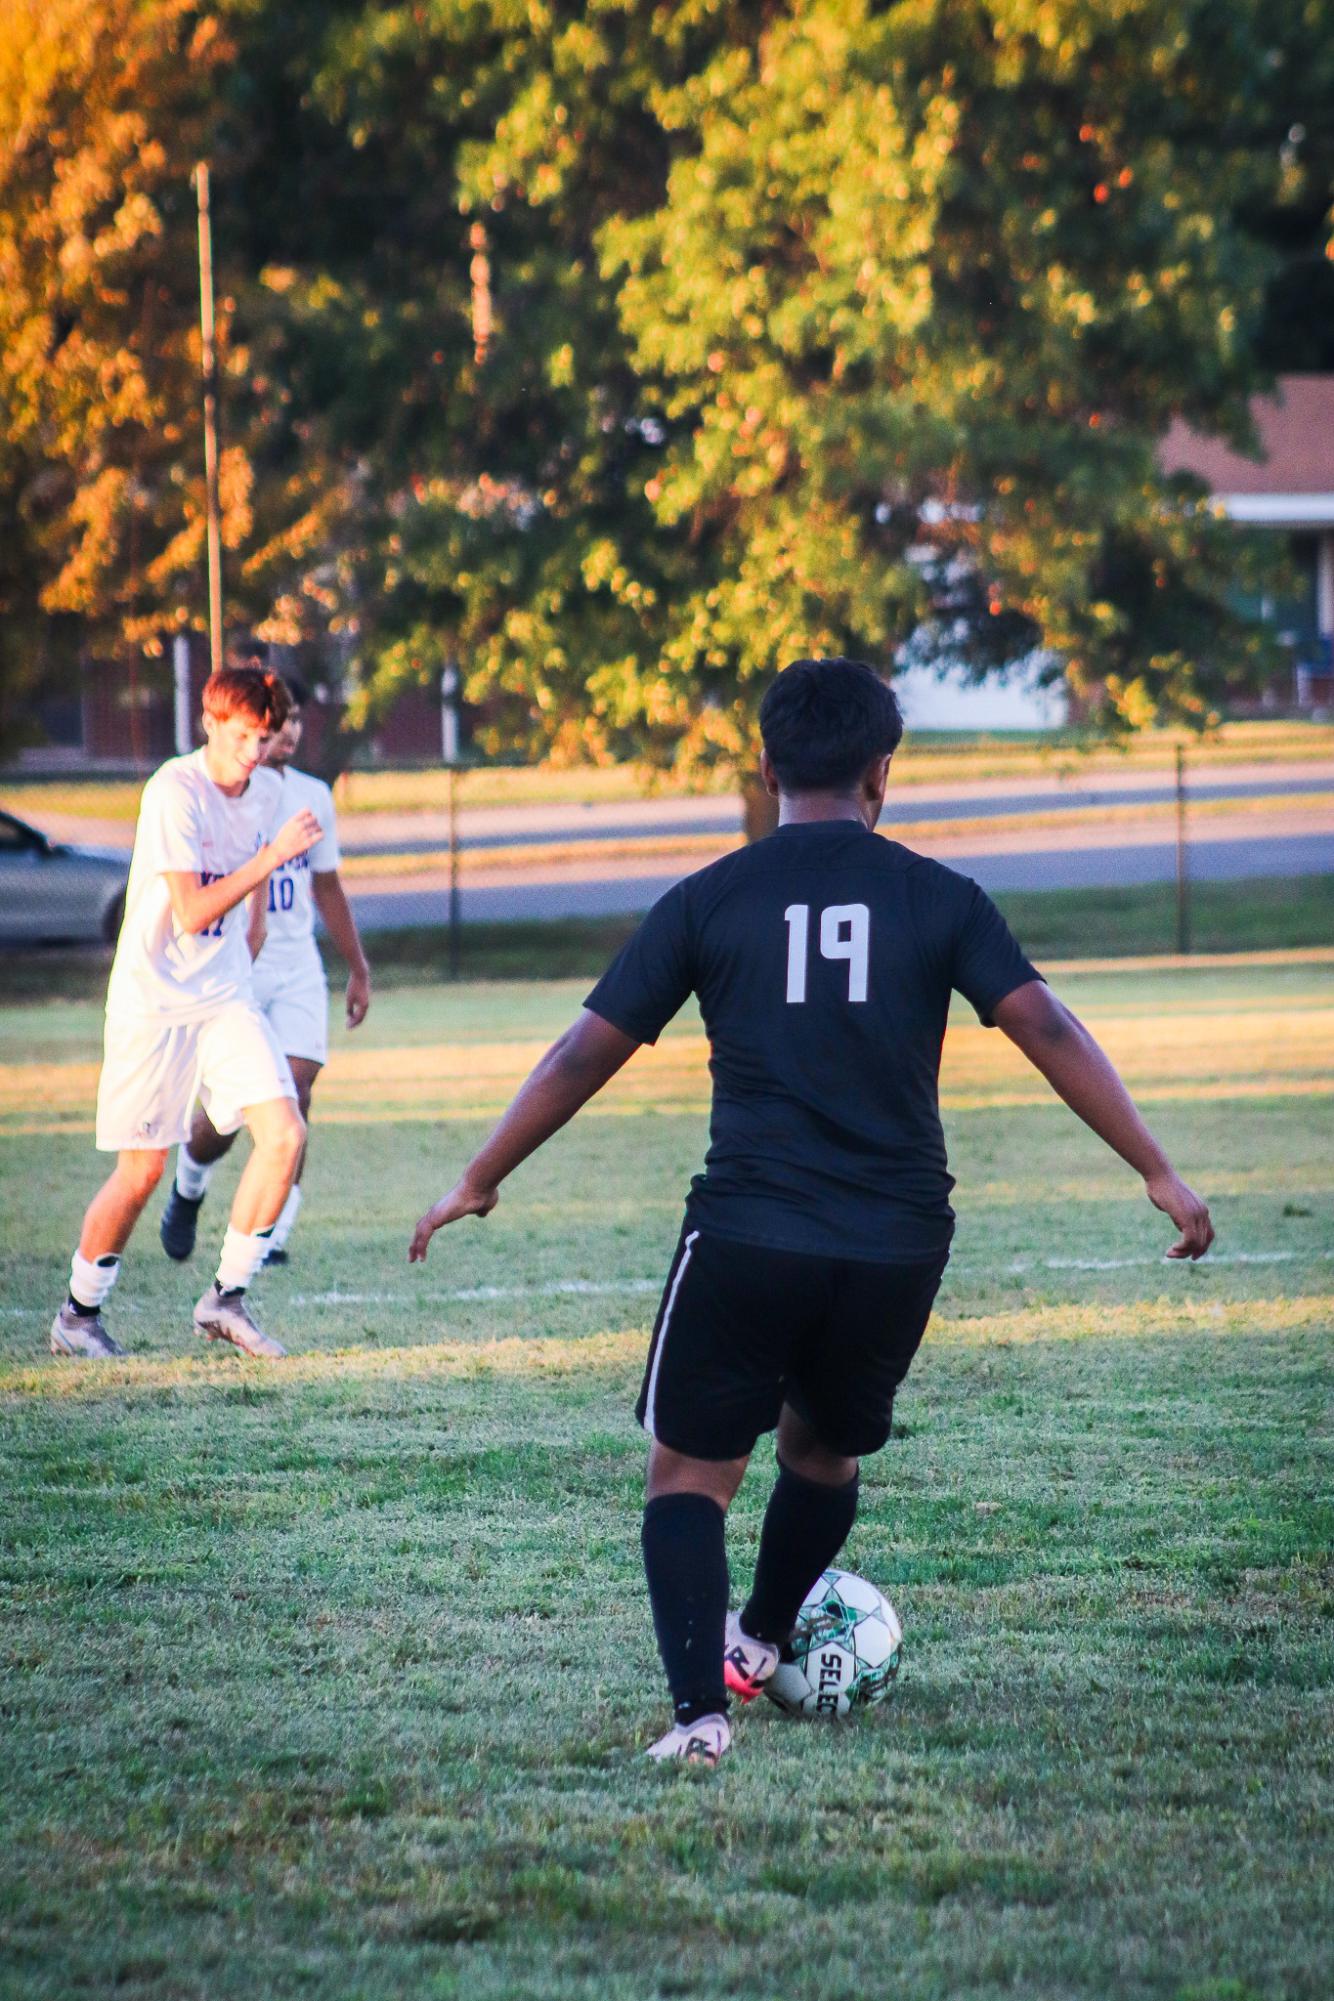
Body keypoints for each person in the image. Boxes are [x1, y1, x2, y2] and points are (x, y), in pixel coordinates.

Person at [407, 658, 1215, 1765]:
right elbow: (1049, 1030)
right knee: (822, 1455)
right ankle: (759, 1639)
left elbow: (581, 1050)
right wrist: (1155, 1171)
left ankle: (699, 1719)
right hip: (895, 1241)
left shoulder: (708, 896)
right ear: (883, 770)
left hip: (747, 1230)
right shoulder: (939, 897)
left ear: (764, 761)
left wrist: (482, 1172)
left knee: (689, 1476)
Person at [49, 665, 323, 1362]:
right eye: (240, 736)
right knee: (141, 1171)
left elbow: (249, 920)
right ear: (209, 723)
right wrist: (270, 858)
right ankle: (77, 1316)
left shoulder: (265, 792)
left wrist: (246, 967)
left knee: (286, 1135)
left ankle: (225, 1298)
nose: (253, 752)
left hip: (223, 994)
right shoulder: (175, 790)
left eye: (263, 737)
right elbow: (194, 908)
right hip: (153, 1001)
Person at [159, 675, 371, 1268]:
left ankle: (272, 1230)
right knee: (226, 1113)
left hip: (297, 962)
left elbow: (326, 885)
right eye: (273, 724)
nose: (286, 733)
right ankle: (190, 1183)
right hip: (238, 968)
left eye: (295, 720)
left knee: (298, 1087)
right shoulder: (225, 793)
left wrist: (358, 967)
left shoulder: (312, 795)